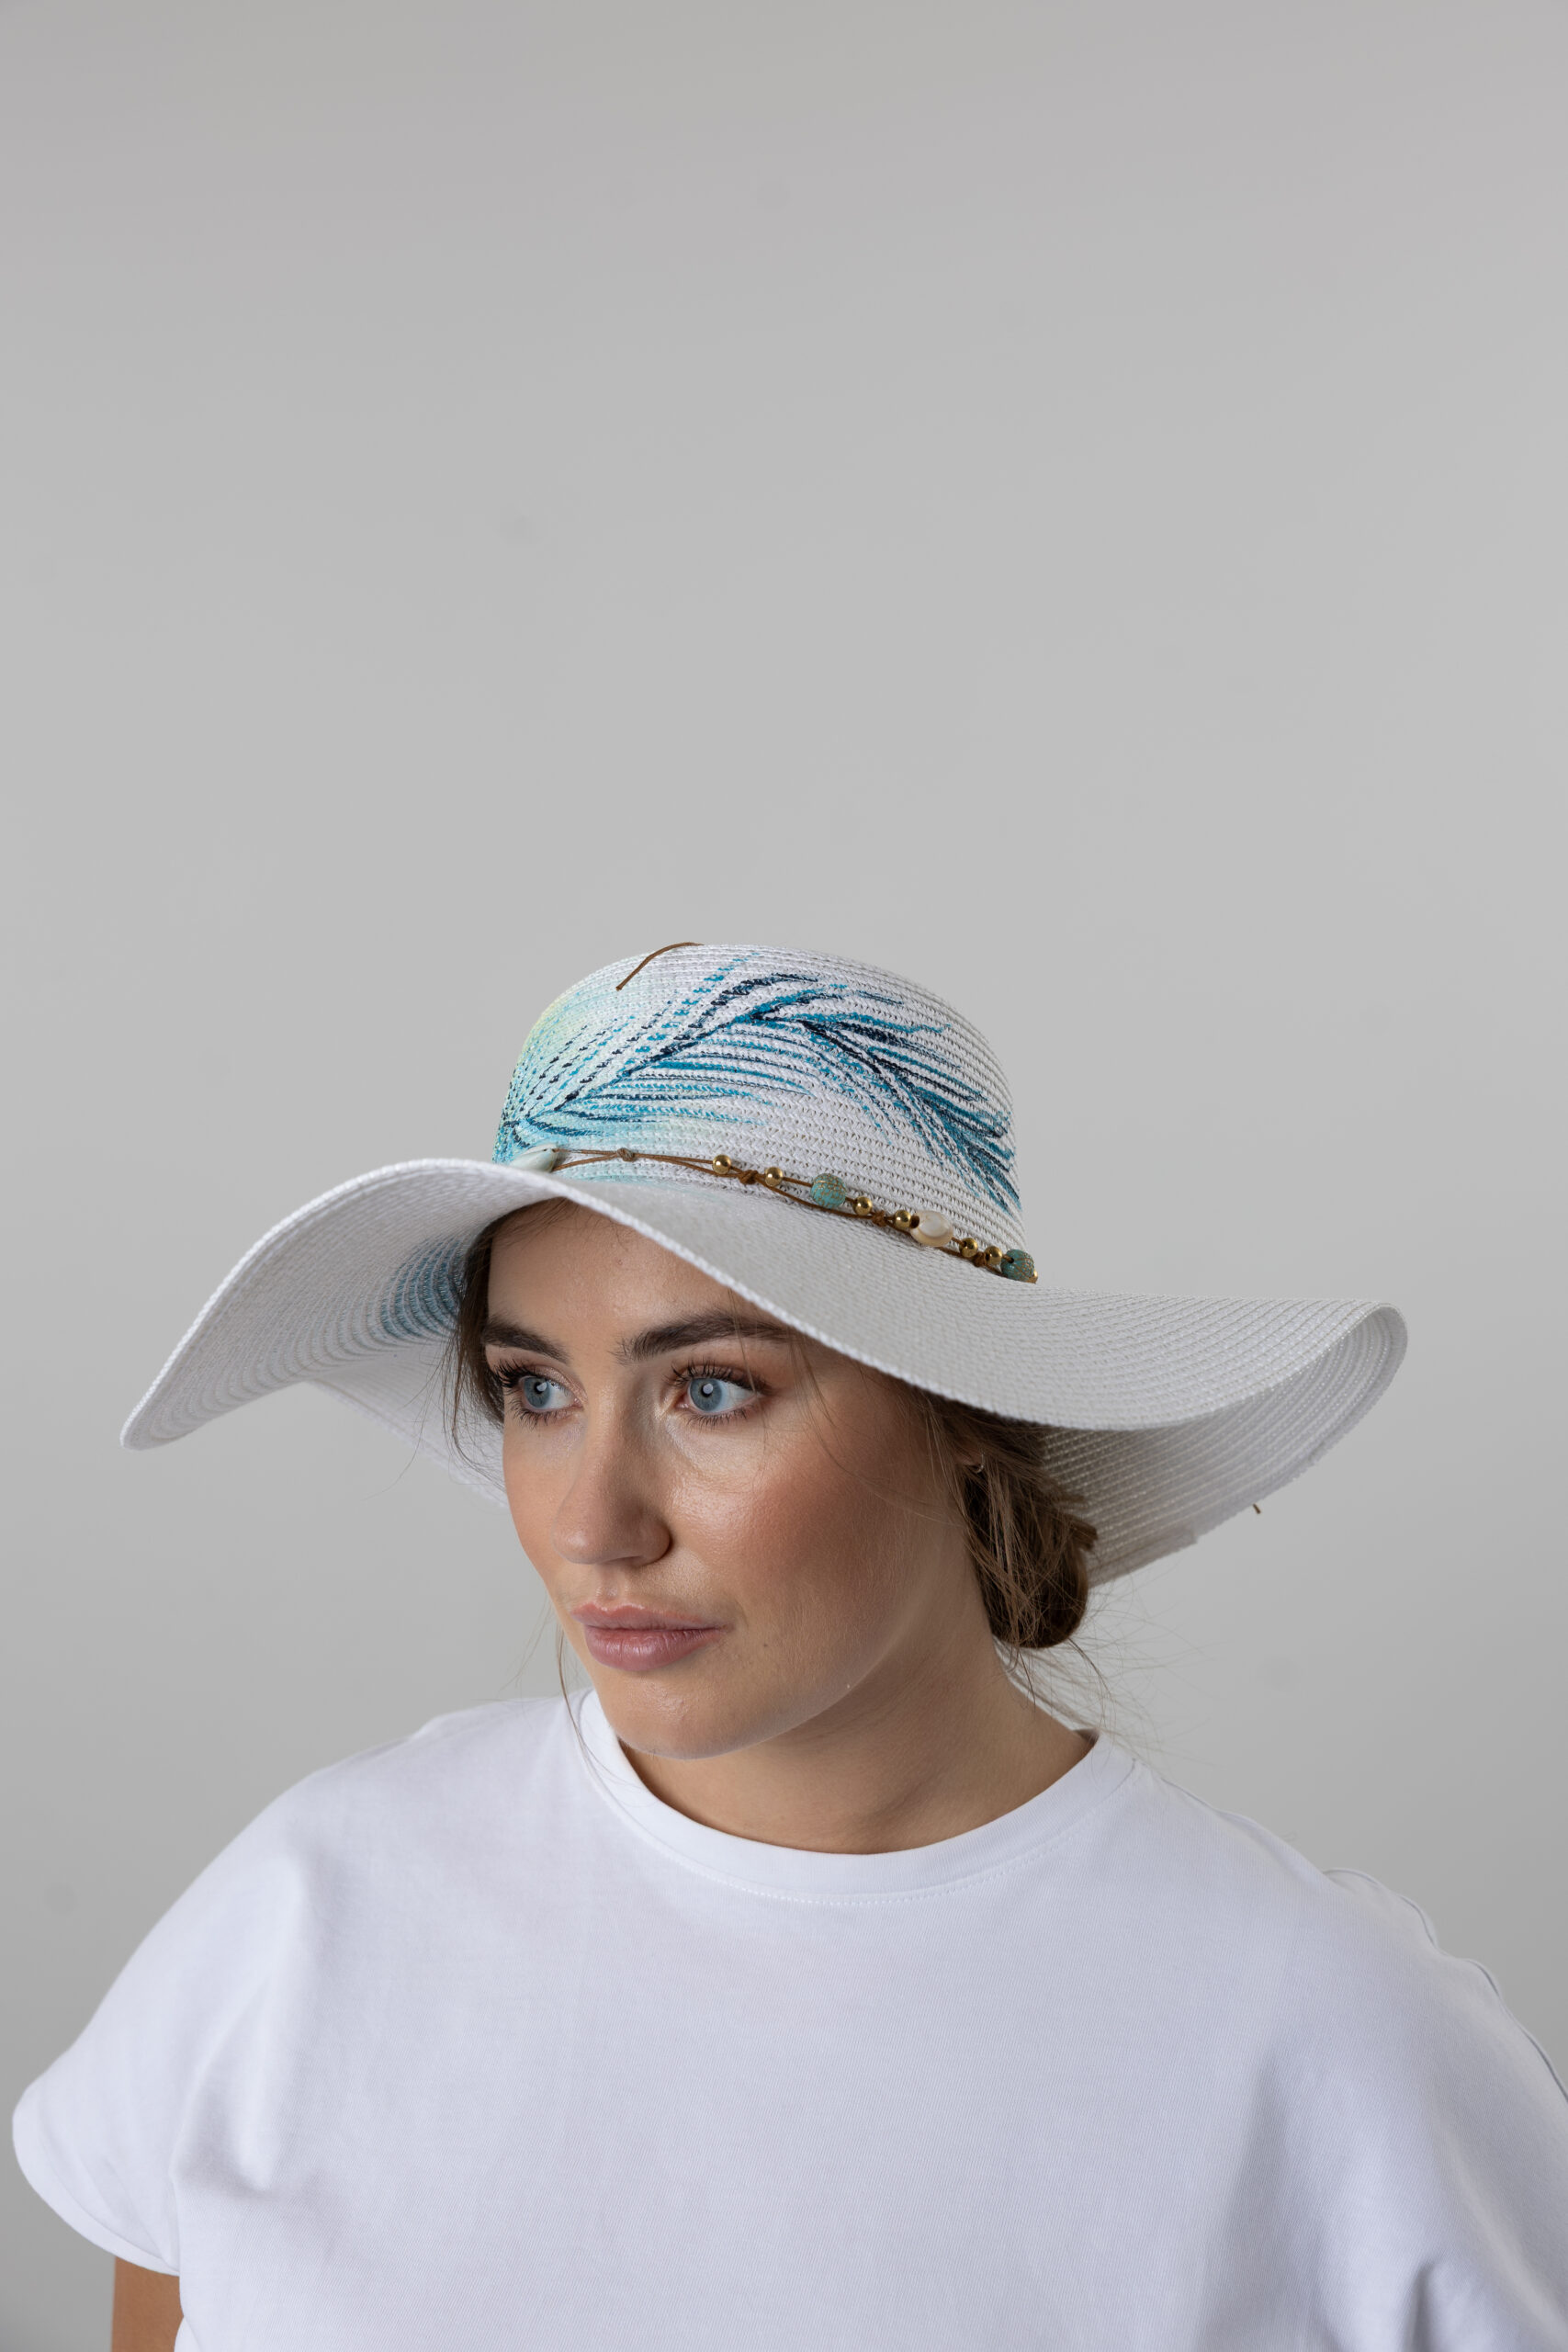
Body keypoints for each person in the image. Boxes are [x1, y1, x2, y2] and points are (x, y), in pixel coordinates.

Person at [14, 943, 1568, 2352]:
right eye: (537, 1390)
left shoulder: (1326, 2036)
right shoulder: (310, 1916)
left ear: (965, 1414)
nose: (593, 1524)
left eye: (713, 1390)